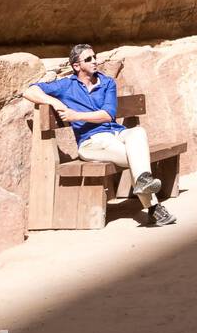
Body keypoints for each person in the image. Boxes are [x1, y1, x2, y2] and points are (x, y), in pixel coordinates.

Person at [22, 43, 176, 226]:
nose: (95, 61)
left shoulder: (107, 82)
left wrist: (75, 115)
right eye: (88, 59)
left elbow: (108, 114)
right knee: (136, 157)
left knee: (138, 132)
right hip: (91, 143)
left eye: (94, 57)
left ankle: (145, 186)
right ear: (76, 66)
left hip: (115, 132)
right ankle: (153, 208)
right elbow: (29, 91)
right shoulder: (66, 85)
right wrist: (54, 102)